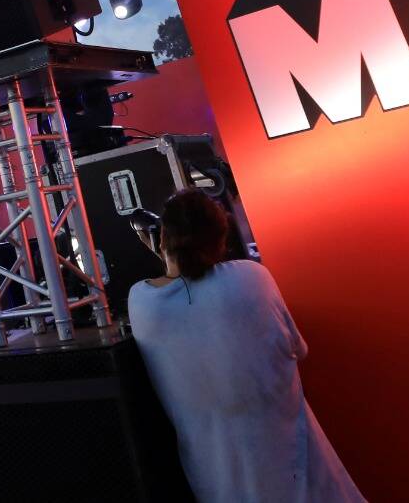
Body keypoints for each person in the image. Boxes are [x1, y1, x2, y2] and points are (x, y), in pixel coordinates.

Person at [126, 190, 364, 503]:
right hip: (296, 466)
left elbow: (178, 286)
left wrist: (170, 258)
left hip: (216, 480)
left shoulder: (141, 302)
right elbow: (298, 349)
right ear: (221, 241)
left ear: (162, 240)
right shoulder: (253, 278)